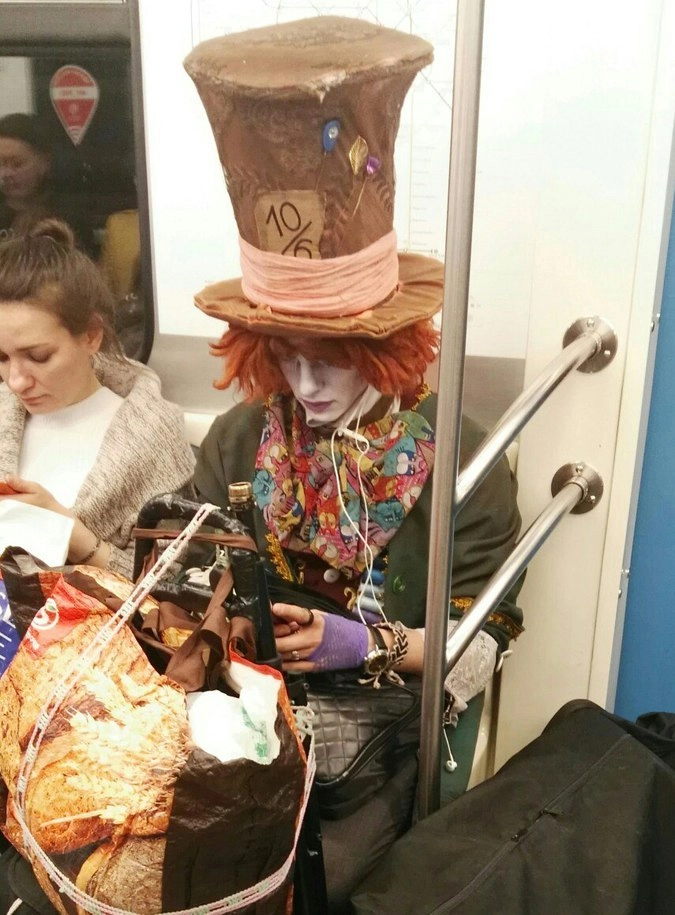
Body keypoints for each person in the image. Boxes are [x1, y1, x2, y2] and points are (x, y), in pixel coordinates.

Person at [185, 16, 524, 912]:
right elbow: (189, 561)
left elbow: (484, 640)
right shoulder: (241, 437)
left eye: (331, 360)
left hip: (378, 735)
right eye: (284, 357)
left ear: (386, 347)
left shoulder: (463, 458)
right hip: (248, 713)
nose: (304, 386)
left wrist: (364, 643)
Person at [0, 217, 195, 579]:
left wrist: (74, 537)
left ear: (91, 335)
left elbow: (166, 585)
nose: (16, 381)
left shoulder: (151, 438)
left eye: (39, 357)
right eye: (2, 358)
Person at [0, 113, 55, 241]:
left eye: (17, 164)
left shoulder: (66, 214)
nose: (5, 174)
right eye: (0, 164)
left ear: (45, 163)